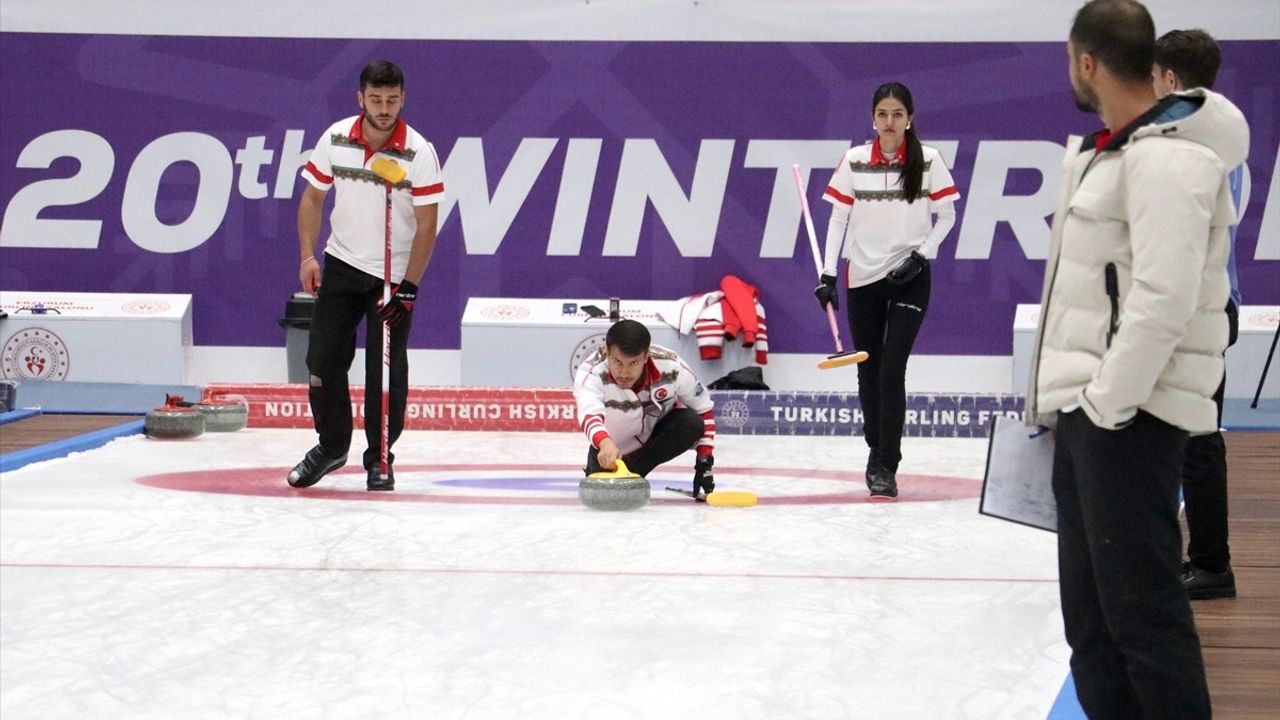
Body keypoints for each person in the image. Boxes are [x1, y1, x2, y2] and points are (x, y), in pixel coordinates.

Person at [1025, 1, 1248, 716]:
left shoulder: (1171, 160)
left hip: (1128, 420)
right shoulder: (1107, 152)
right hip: (1088, 415)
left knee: (1143, 619)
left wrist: (1104, 406)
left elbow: (1162, 301)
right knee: (1092, 625)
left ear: (1087, 62)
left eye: (1069, 60)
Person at [287, 60, 444, 492]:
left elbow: (428, 225)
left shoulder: (418, 151)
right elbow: (313, 199)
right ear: (361, 99)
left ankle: (380, 458)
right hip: (340, 266)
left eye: (392, 100)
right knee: (321, 362)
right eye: (376, 99)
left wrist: (409, 288)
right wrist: (307, 256)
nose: (384, 107)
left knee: (386, 373)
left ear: (402, 98)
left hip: (392, 279)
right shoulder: (335, 138)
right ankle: (332, 446)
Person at [814, 82, 960, 500]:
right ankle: (876, 445)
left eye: (898, 114)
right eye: (883, 114)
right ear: (872, 118)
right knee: (869, 369)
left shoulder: (929, 160)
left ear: (909, 117)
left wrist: (922, 254)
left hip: (910, 274)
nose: (890, 122)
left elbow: (946, 216)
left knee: (892, 368)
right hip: (862, 277)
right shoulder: (854, 161)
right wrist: (827, 274)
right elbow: (838, 219)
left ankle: (884, 464)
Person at [1153, 28, 1244, 601]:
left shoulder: (1190, 145)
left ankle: (1210, 564)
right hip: (1211, 304)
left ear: (1168, 78)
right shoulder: (1221, 134)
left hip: (1196, 309)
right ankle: (1201, 560)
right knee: (1189, 436)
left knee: (1195, 438)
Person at [573, 319, 716, 498]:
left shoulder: (673, 368)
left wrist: (704, 462)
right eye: (617, 362)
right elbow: (589, 414)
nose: (624, 373)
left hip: (650, 442)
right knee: (602, 497)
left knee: (691, 423)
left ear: (646, 356)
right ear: (607, 352)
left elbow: (704, 409)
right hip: (608, 450)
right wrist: (605, 444)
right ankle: (610, 473)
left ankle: (633, 474)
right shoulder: (591, 372)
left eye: (633, 363)